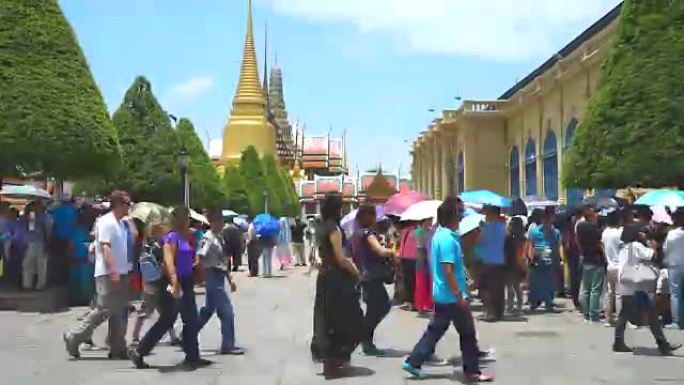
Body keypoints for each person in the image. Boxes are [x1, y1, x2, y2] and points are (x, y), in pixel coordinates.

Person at [402, 198, 494, 382]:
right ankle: (472, 371)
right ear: (451, 215)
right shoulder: (446, 239)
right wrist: (459, 294)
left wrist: (468, 282)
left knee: (435, 330)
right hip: (451, 296)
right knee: (467, 334)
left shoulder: (445, 235)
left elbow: (456, 267)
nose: (461, 216)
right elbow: (448, 269)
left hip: (445, 294)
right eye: (459, 212)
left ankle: (414, 361)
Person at [129, 206, 211, 370]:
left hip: (186, 280)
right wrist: (174, 283)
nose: (187, 220)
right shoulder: (170, 237)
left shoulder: (183, 236)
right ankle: (141, 351)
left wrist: (194, 262)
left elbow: (187, 257)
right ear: (176, 219)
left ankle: (192, 356)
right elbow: (168, 261)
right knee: (172, 319)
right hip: (175, 281)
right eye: (184, 217)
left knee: (184, 319)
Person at [63, 191, 131, 359]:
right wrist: (113, 269)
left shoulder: (121, 223)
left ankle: (118, 347)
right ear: (118, 204)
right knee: (104, 310)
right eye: (127, 204)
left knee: (120, 311)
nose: (129, 207)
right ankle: (75, 335)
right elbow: (106, 247)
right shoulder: (107, 222)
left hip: (121, 271)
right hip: (108, 273)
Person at [310, 193, 362, 380]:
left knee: (325, 317)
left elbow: (317, 253)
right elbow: (341, 258)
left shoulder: (321, 227)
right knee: (343, 318)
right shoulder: (334, 229)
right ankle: (335, 359)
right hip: (336, 278)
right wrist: (355, 271)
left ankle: (330, 361)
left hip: (324, 277)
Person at [613, 224, 681, 355]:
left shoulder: (623, 247)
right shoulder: (637, 246)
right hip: (637, 285)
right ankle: (663, 346)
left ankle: (618, 342)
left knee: (624, 314)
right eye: (639, 232)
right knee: (651, 315)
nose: (642, 234)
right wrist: (654, 245)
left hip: (626, 282)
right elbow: (652, 255)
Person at [197, 209, 244, 355]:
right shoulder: (207, 238)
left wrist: (230, 280)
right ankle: (228, 345)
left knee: (207, 311)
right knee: (227, 312)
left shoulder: (219, 237)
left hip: (219, 274)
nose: (221, 224)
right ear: (211, 223)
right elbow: (199, 256)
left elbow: (223, 261)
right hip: (212, 275)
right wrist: (200, 276)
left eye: (221, 222)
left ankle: (187, 333)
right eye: (218, 222)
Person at [352, 204, 395, 356]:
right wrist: (392, 251)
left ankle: (366, 340)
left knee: (374, 308)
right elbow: (379, 251)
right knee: (381, 306)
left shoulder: (356, 233)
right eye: (372, 214)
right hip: (371, 275)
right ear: (366, 216)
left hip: (365, 275)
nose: (374, 218)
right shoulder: (366, 233)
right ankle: (364, 337)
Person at [130, 223, 179, 345]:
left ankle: (172, 336)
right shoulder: (156, 246)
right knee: (152, 310)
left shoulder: (148, 245)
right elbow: (164, 263)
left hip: (152, 282)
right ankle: (135, 337)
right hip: (156, 282)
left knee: (162, 311)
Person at [475, 205, 507, 321]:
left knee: (486, 288)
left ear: (492, 213)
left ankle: (490, 312)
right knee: (498, 287)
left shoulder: (486, 228)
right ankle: (499, 312)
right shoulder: (503, 227)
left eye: (487, 212)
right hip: (499, 259)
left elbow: (478, 241)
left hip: (486, 260)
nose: (485, 215)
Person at [577, 204, 606, 323]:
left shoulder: (580, 227)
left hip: (586, 258)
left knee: (586, 289)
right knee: (595, 290)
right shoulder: (596, 229)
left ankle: (586, 314)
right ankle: (593, 315)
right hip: (597, 260)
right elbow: (600, 244)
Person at [527, 206, 561, 311]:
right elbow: (530, 245)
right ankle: (534, 301)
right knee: (535, 281)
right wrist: (530, 258)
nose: (550, 220)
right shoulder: (535, 231)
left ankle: (548, 302)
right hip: (536, 258)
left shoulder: (555, 232)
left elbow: (557, 246)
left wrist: (558, 260)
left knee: (549, 281)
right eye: (548, 217)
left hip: (550, 259)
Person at [22, 200, 52, 290]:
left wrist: (48, 244)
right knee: (27, 264)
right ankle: (27, 284)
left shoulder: (45, 217)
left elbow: (48, 231)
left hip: (41, 243)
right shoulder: (32, 217)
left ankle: (40, 285)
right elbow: (30, 228)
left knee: (41, 265)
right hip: (31, 242)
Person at [602, 210, 623, 326]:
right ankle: (621, 318)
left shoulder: (605, 232)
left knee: (609, 293)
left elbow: (603, 247)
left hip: (610, 265)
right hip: (620, 265)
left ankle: (608, 318)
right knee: (620, 294)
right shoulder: (619, 233)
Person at [664, 208, 684, 329]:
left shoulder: (672, 234)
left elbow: (666, 249)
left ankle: (677, 321)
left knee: (675, 294)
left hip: (674, 264)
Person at [504, 216, 526, 314]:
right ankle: (519, 306)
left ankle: (510, 306)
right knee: (517, 286)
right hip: (518, 263)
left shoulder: (509, 237)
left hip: (510, 263)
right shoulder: (523, 238)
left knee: (510, 286)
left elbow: (506, 251)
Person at [414, 218, 434, 316]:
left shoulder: (428, 231)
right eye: (429, 220)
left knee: (429, 281)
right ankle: (421, 307)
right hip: (422, 256)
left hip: (429, 256)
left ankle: (428, 304)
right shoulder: (419, 231)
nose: (430, 222)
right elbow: (420, 245)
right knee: (422, 281)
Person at [397, 222, 418, 311]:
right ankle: (410, 301)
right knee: (408, 281)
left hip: (411, 259)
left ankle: (412, 302)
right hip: (407, 259)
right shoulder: (406, 231)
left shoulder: (412, 231)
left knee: (412, 281)